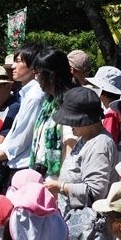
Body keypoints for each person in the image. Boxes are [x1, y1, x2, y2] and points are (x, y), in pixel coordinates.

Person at [49, 86, 117, 240]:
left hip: (89, 236)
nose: (70, 126)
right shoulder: (86, 139)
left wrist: (60, 187)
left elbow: (96, 191)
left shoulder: (99, 144)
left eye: (73, 121)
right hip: (78, 232)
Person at [0, 43, 45, 192]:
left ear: (33, 66)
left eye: (18, 61)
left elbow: (21, 138)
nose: (13, 67)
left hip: (24, 168)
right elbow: (14, 133)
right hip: (14, 164)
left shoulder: (35, 96)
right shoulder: (27, 94)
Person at [29, 48, 76, 180]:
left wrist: (63, 182)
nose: (35, 77)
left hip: (58, 179)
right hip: (42, 175)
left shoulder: (70, 102)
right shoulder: (49, 101)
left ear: (52, 75)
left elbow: (71, 145)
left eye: (37, 73)